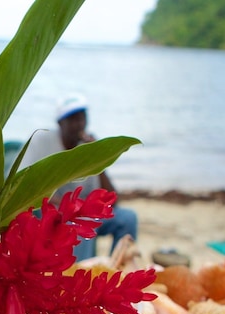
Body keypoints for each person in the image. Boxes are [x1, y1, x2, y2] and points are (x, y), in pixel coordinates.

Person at [21, 94, 138, 261]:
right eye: (73, 119)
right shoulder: (42, 141)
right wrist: (67, 206)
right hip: (53, 214)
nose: (79, 124)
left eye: (82, 118)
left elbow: (113, 199)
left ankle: (117, 267)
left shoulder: (87, 147)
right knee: (78, 222)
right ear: (60, 123)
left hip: (83, 211)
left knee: (128, 218)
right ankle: (80, 270)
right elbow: (25, 182)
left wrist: (99, 159)